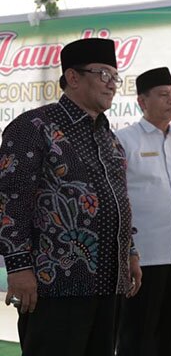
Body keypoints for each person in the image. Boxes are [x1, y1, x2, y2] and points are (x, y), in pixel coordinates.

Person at [0, 38, 141, 356]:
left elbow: (119, 200)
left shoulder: (109, 138)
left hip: (109, 284)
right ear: (73, 77)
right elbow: (11, 200)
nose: (112, 85)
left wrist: (131, 253)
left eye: (115, 77)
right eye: (103, 74)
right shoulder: (34, 127)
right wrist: (19, 267)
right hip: (55, 285)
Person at [115, 67, 171, 356]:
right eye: (163, 95)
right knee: (137, 336)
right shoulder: (125, 141)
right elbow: (118, 196)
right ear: (142, 102)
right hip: (144, 258)